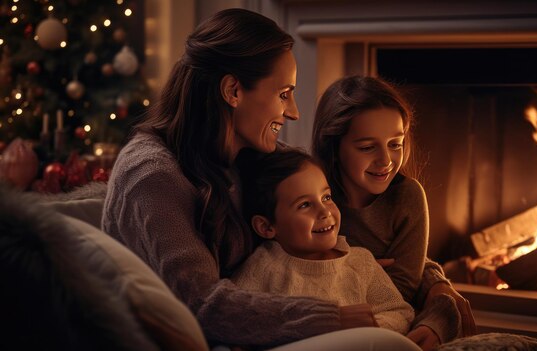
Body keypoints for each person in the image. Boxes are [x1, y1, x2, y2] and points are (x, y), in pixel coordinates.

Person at [102, 8, 422, 351]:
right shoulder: (152, 177)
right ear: (233, 90)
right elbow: (202, 304)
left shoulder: (253, 154)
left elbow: (334, 224)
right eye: (284, 93)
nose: (294, 111)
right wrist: (331, 318)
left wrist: (435, 285)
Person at [311, 76, 477, 351]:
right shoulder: (310, 195)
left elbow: (401, 290)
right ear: (334, 147)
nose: (386, 160)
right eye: (367, 147)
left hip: (389, 323)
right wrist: (366, 265)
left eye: (395, 144)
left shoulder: (408, 197)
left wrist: (339, 264)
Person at [232, 148, 414, 335]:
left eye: (326, 197)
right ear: (266, 227)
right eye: (305, 205)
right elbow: (236, 317)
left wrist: (371, 328)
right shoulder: (263, 265)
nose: (325, 212)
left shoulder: (362, 263)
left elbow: (399, 312)